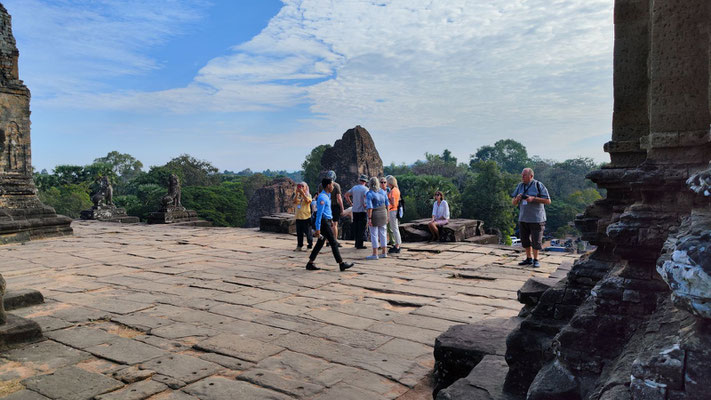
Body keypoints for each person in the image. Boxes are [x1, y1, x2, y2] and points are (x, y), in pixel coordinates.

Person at [306, 178, 354, 271]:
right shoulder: (322, 197)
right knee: (333, 243)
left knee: (320, 243)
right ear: (328, 185)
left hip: (327, 221)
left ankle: (310, 263)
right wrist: (318, 228)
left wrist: (331, 220)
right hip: (324, 223)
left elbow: (327, 211)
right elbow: (319, 214)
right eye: (332, 185)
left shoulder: (327, 196)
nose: (333, 186)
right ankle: (341, 263)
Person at [511, 168, 551, 268]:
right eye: (522, 175)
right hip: (523, 217)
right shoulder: (520, 186)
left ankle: (536, 259)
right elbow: (513, 203)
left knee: (536, 240)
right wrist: (518, 198)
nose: (522, 177)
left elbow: (548, 201)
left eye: (524, 175)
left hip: (536, 218)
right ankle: (528, 258)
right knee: (524, 240)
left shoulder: (538, 185)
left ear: (531, 176)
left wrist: (533, 198)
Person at [365, 177, 389, 260]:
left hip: (374, 214)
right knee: (383, 233)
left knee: (374, 234)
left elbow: (369, 207)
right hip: (383, 212)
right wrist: (387, 215)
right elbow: (387, 204)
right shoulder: (383, 192)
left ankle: (375, 253)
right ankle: (384, 252)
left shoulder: (369, 193)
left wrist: (369, 218)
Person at [345, 174, 369, 249]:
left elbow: (346, 195)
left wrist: (350, 203)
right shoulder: (366, 189)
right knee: (361, 228)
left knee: (356, 227)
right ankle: (360, 244)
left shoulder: (354, 188)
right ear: (365, 182)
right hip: (362, 210)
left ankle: (357, 243)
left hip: (355, 210)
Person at [293, 182, 313, 251]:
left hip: (306, 217)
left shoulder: (308, 195)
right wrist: (297, 193)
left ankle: (309, 245)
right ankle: (299, 245)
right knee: (299, 233)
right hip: (298, 217)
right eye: (300, 186)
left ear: (306, 187)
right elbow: (294, 201)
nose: (301, 187)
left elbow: (307, 201)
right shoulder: (298, 195)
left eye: (302, 186)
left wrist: (302, 193)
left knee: (308, 233)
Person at [325, 170, 343, 246]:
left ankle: (327, 241)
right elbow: (339, 198)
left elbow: (319, 196)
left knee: (327, 224)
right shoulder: (336, 185)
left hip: (326, 206)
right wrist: (342, 208)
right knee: (335, 224)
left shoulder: (322, 185)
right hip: (334, 206)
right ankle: (335, 240)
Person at [385, 175, 402, 253]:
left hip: (393, 210)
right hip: (394, 210)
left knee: (394, 228)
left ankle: (397, 245)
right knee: (395, 228)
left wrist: (388, 199)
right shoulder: (396, 190)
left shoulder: (393, 191)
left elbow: (393, 203)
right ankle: (397, 244)